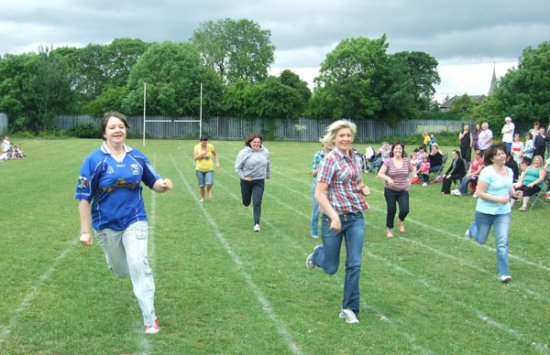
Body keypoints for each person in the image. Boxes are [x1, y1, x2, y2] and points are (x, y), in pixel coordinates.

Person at [75, 111, 174, 334]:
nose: (117, 130)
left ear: (126, 129)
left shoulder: (137, 158)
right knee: (121, 270)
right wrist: (85, 231)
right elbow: (83, 198)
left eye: (121, 126)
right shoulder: (93, 161)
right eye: (112, 127)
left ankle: (151, 319)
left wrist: (163, 185)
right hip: (106, 224)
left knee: (139, 264)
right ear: (104, 133)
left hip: (135, 219)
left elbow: (154, 182)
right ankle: (123, 263)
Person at [305, 119, 370, 324]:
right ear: (334, 138)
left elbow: (357, 180)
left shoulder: (356, 158)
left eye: (348, 135)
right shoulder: (329, 160)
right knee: (332, 267)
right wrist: (333, 216)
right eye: (341, 135)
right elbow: (319, 192)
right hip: (334, 219)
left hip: (356, 217)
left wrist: (362, 188)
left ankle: (349, 308)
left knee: (355, 264)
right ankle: (318, 255)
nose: (345, 139)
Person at [464, 144, 522, 283]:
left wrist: (515, 194)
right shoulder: (487, 172)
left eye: (503, 153)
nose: (502, 156)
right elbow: (480, 192)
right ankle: (473, 229)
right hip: (485, 211)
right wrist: (499, 199)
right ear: (492, 158)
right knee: (481, 240)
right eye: (498, 154)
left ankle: (504, 273)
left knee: (502, 242)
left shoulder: (509, 171)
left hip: (503, 212)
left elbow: (508, 188)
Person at [234, 133, 270, 232]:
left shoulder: (265, 151)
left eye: (258, 142)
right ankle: (245, 203)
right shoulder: (243, 152)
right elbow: (237, 167)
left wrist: (267, 174)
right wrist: (244, 177)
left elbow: (268, 162)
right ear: (250, 142)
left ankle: (256, 224)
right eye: (254, 142)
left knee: (257, 202)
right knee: (246, 202)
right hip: (246, 180)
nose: (256, 144)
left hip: (259, 180)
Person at [378, 142, 414, 237]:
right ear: (393, 150)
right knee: (391, 209)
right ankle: (389, 230)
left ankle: (400, 221)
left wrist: (410, 181)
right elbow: (380, 173)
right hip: (390, 190)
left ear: (402, 150)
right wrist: (388, 179)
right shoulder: (388, 161)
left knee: (405, 210)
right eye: (396, 148)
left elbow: (412, 170)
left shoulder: (406, 161)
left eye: (400, 148)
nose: (398, 150)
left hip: (403, 190)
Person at [310, 139, 333, 238]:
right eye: (328, 142)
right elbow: (313, 173)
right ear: (323, 143)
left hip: (331, 186)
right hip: (318, 186)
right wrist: (321, 167)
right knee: (316, 211)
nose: (330, 145)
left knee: (331, 211)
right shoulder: (318, 155)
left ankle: (329, 231)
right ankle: (314, 232)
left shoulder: (335, 155)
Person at [193, 136, 220, 202]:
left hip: (209, 169)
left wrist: (217, 162)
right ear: (200, 142)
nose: (204, 144)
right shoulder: (196, 147)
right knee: (201, 186)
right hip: (199, 169)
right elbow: (195, 158)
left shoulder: (210, 146)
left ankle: (208, 191)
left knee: (210, 183)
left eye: (205, 143)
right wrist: (202, 154)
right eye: (203, 143)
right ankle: (202, 198)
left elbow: (215, 153)